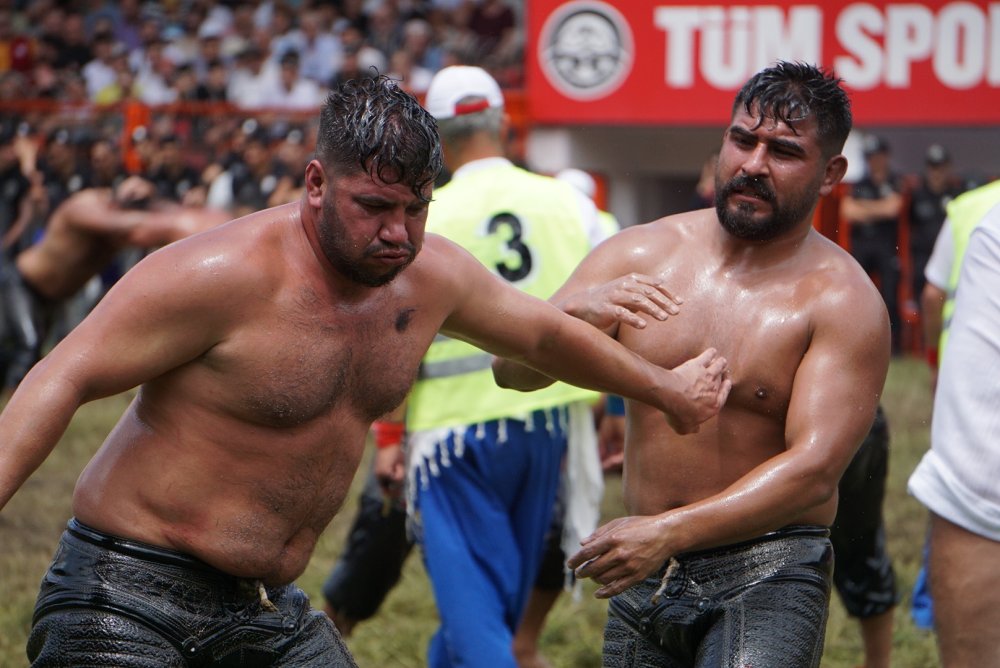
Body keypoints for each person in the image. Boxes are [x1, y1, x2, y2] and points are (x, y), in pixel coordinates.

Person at [0, 75, 730, 667]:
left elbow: (543, 337)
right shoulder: (219, 275)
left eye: (418, 209)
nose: (398, 233)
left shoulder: (430, 273)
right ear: (317, 182)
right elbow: (60, 376)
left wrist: (665, 390)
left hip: (264, 610)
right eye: (375, 206)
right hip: (126, 593)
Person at [494, 61, 890, 667]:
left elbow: (812, 472)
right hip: (645, 570)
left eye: (783, 151)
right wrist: (571, 309)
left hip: (769, 570)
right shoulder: (641, 252)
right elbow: (511, 371)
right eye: (742, 139)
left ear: (830, 172)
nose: (753, 165)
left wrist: (668, 532)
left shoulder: (842, 300)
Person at [380, 65, 612, 668]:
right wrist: (612, 406)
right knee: (492, 607)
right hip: (548, 427)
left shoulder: (423, 216)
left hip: (452, 438)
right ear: (503, 124)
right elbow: (621, 307)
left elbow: (395, 333)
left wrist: (385, 434)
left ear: (435, 135)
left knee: (478, 615)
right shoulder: (570, 203)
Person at [0, 175, 228, 391]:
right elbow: (137, 226)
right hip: (22, 284)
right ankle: (11, 417)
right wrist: (174, 212)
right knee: (28, 345)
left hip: (54, 296)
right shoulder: (84, 207)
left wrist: (158, 201)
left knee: (39, 354)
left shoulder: (125, 215)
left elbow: (153, 225)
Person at [907, 192, 1000, 667]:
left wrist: (932, 357)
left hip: (971, 371)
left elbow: (932, 291)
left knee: (964, 487)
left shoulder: (972, 210)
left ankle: (925, 609)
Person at [841, 134, 903, 352]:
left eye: (877, 157)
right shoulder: (860, 183)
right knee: (858, 296)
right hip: (862, 247)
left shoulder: (893, 182)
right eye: (870, 157)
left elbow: (893, 208)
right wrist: (879, 209)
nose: (873, 162)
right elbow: (848, 211)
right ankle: (857, 343)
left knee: (890, 297)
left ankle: (894, 349)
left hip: (886, 247)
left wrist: (865, 209)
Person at [907, 143, 963, 306]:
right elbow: (911, 223)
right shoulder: (918, 195)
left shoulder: (956, 195)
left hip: (949, 257)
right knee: (923, 302)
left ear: (948, 168)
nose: (936, 173)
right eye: (933, 168)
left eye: (940, 168)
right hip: (923, 258)